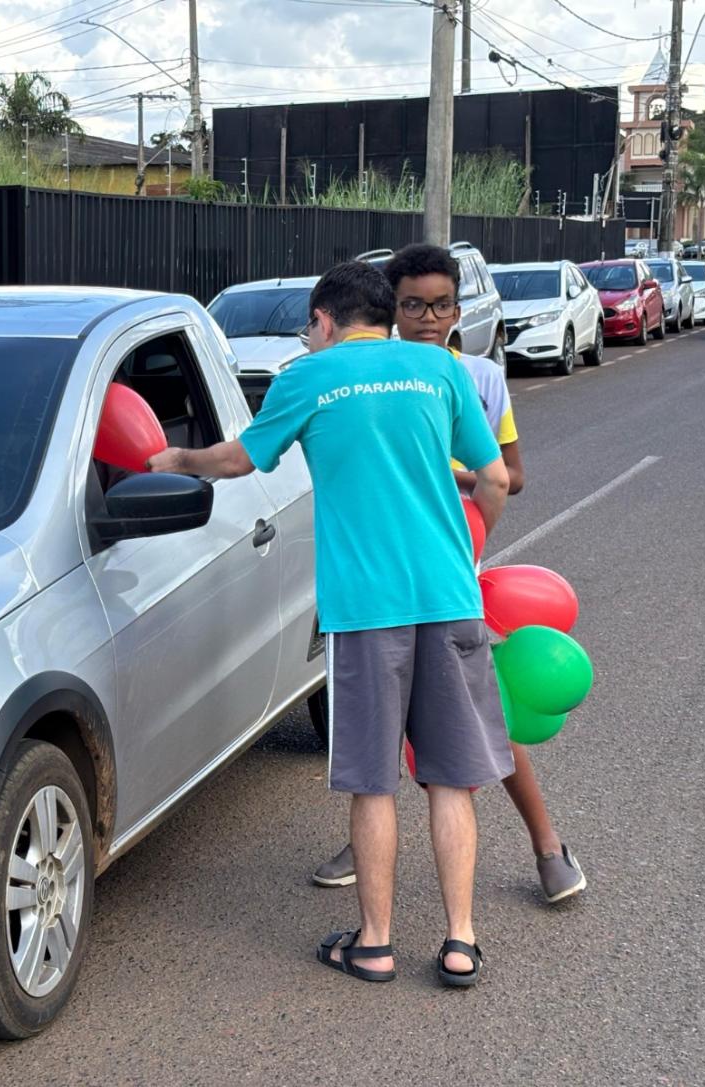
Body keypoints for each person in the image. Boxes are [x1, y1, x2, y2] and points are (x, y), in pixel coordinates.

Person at [147, 261, 510, 986]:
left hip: (365, 609)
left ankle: (374, 942)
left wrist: (174, 457)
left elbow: (238, 460)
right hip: (447, 597)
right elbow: (494, 476)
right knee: (451, 780)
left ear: (323, 321)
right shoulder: (439, 371)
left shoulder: (307, 379)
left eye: (308, 331)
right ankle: (461, 940)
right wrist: (465, 555)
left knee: (373, 782)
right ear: (384, 312)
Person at [309, 244, 586, 905]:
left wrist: (446, 478)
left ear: (459, 310)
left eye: (439, 305)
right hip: (380, 572)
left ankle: (547, 844)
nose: (427, 317)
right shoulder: (370, 371)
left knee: (479, 724)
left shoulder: (481, 378)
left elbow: (510, 475)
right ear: (389, 309)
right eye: (412, 304)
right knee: (384, 726)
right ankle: (370, 844)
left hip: (452, 571)